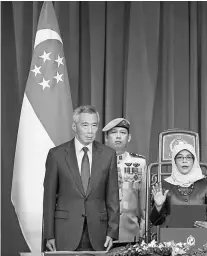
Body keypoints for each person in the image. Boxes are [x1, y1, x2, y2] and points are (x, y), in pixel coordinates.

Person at [43, 105, 119, 251]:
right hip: (64, 232)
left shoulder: (108, 155)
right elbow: (49, 198)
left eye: (94, 125)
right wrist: (49, 234)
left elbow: (113, 197)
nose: (90, 131)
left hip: (98, 233)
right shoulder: (56, 155)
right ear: (74, 126)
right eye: (85, 125)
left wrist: (112, 231)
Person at [150, 143, 207, 228]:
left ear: (194, 161)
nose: (184, 160)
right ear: (174, 161)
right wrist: (158, 206)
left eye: (188, 157)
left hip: (200, 237)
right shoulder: (163, 186)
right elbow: (155, 221)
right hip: (170, 238)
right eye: (180, 157)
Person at [102, 118, 147, 245]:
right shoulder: (95, 162)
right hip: (101, 232)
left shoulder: (139, 163)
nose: (118, 136)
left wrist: (143, 227)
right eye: (113, 132)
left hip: (130, 231)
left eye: (122, 132)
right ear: (106, 137)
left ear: (129, 137)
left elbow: (143, 199)